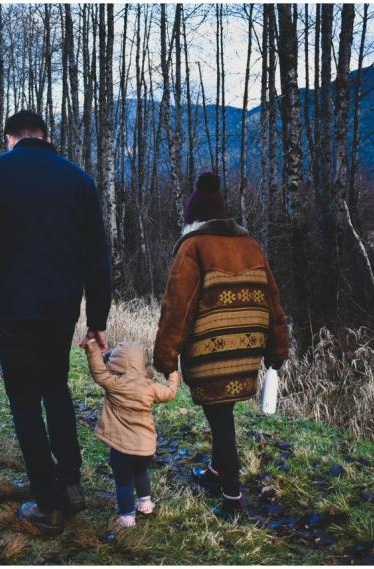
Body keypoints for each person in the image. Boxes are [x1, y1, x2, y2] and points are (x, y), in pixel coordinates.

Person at [0, 110, 112, 535]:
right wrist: (96, 320)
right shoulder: (79, 181)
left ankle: (47, 504)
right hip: (60, 309)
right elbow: (98, 260)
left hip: (13, 306)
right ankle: (71, 483)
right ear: (45, 136)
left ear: (9, 138)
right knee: (56, 389)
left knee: (24, 400)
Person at [152, 172, 289, 521]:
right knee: (222, 412)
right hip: (247, 350)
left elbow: (176, 307)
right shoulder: (251, 245)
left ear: (192, 220)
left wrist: (165, 358)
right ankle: (215, 473)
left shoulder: (191, 246)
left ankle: (232, 500)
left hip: (211, 352)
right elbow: (273, 299)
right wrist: (277, 349)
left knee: (221, 420)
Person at [83, 339, 181, 528]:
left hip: (122, 446)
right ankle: (145, 503)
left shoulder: (114, 383)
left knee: (124, 481)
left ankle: (127, 516)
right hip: (146, 447)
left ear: (117, 362)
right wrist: (173, 373)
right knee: (141, 472)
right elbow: (170, 393)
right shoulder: (150, 387)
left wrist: (93, 348)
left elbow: (98, 372)